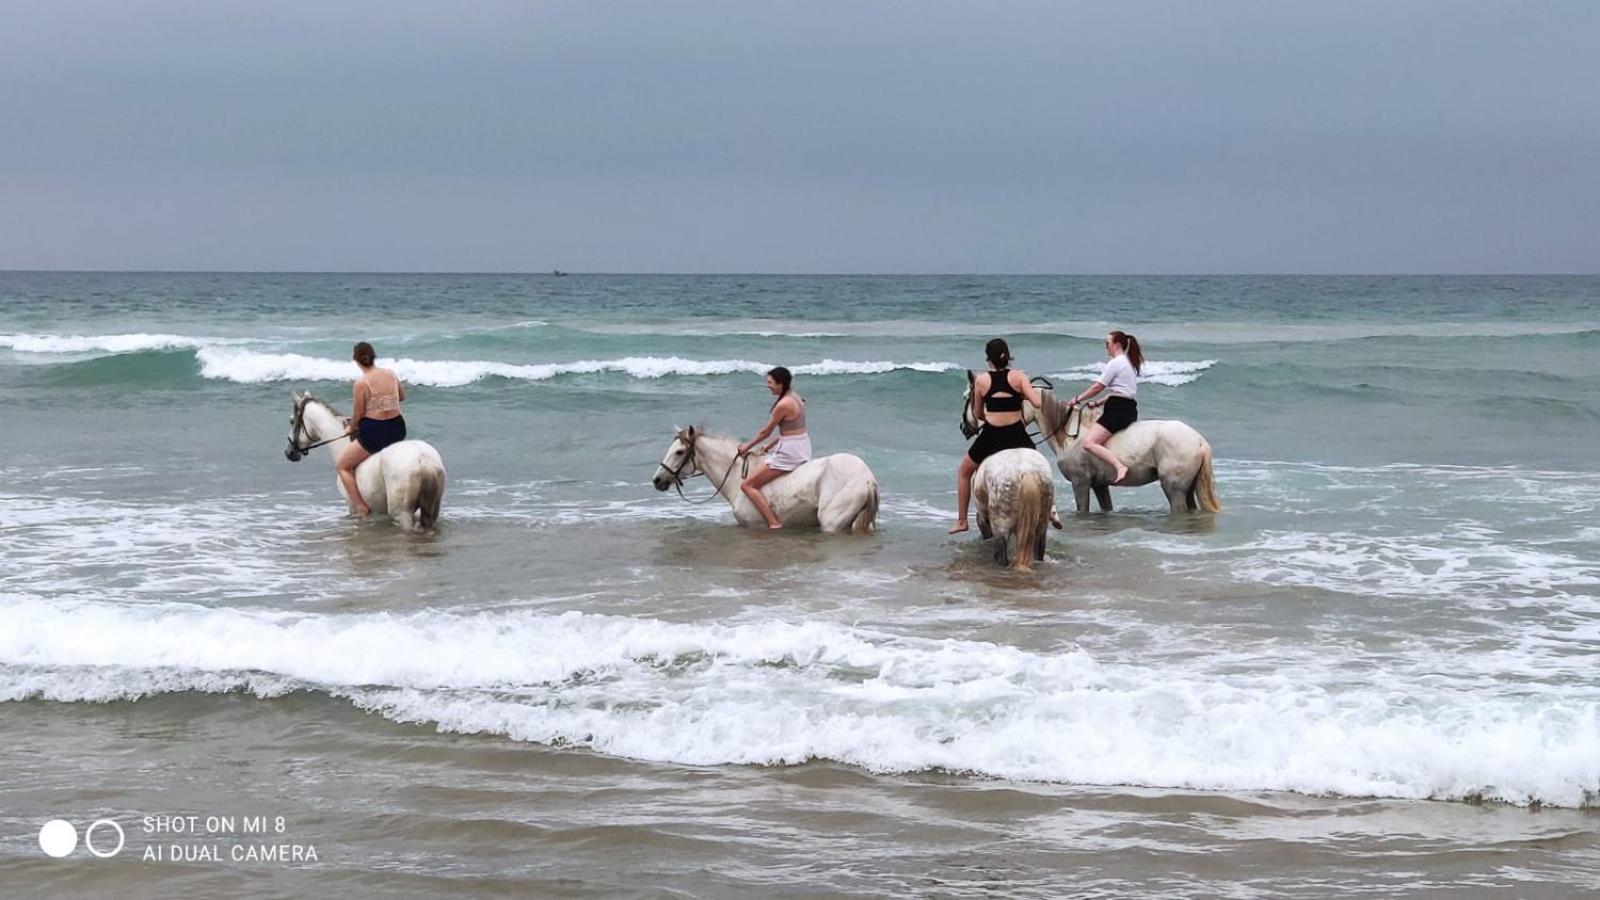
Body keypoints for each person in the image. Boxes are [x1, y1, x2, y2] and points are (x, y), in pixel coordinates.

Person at [949, 338, 1049, 534]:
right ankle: (1051, 510)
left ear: (989, 359)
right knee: (1040, 469)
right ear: (1008, 357)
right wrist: (1023, 394)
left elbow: (978, 415)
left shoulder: (981, 380)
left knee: (963, 472)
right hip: (1017, 435)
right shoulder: (1019, 376)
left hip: (992, 436)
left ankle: (962, 521)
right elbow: (1037, 403)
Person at [338, 341, 407, 518]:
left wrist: (350, 430)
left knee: (343, 467)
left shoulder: (361, 383)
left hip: (376, 433)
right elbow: (402, 397)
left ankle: (361, 506)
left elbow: (358, 414)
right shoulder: (391, 374)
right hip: (398, 428)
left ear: (356, 360)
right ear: (373, 357)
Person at [1067, 330, 1143, 485]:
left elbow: (1097, 387)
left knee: (1089, 443)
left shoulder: (1115, 363)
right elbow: (1121, 391)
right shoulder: (1128, 362)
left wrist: (1077, 399)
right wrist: (1098, 403)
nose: (1105, 347)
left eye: (1107, 343)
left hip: (1117, 410)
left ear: (1117, 345)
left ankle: (1119, 466)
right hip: (1129, 409)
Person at [737, 366, 808, 530]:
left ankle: (773, 522)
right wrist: (769, 447)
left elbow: (765, 432)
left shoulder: (783, 404)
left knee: (747, 485)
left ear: (780, 384)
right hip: (800, 444)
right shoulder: (796, 397)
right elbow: (791, 430)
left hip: (790, 451)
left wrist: (746, 446)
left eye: (770, 382)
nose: (767, 385)